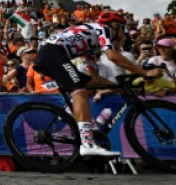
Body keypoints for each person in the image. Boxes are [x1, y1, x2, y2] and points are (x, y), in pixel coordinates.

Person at [33, 11, 161, 156]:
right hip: (53, 53)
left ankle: (70, 113)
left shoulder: (90, 43)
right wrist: (144, 72)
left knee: (90, 85)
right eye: (122, 28)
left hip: (51, 54)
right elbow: (112, 56)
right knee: (79, 90)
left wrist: (120, 89)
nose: (123, 35)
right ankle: (87, 144)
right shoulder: (102, 28)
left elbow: (95, 77)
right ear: (114, 26)